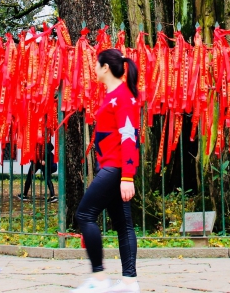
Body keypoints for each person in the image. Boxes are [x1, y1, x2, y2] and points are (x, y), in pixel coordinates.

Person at [71, 49, 141, 293]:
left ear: (106, 68)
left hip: (115, 168)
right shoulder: (113, 94)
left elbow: (130, 136)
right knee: (123, 225)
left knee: (84, 215)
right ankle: (129, 282)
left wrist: (127, 176)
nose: (94, 68)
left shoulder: (122, 96)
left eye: (96, 64)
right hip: (111, 166)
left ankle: (99, 279)